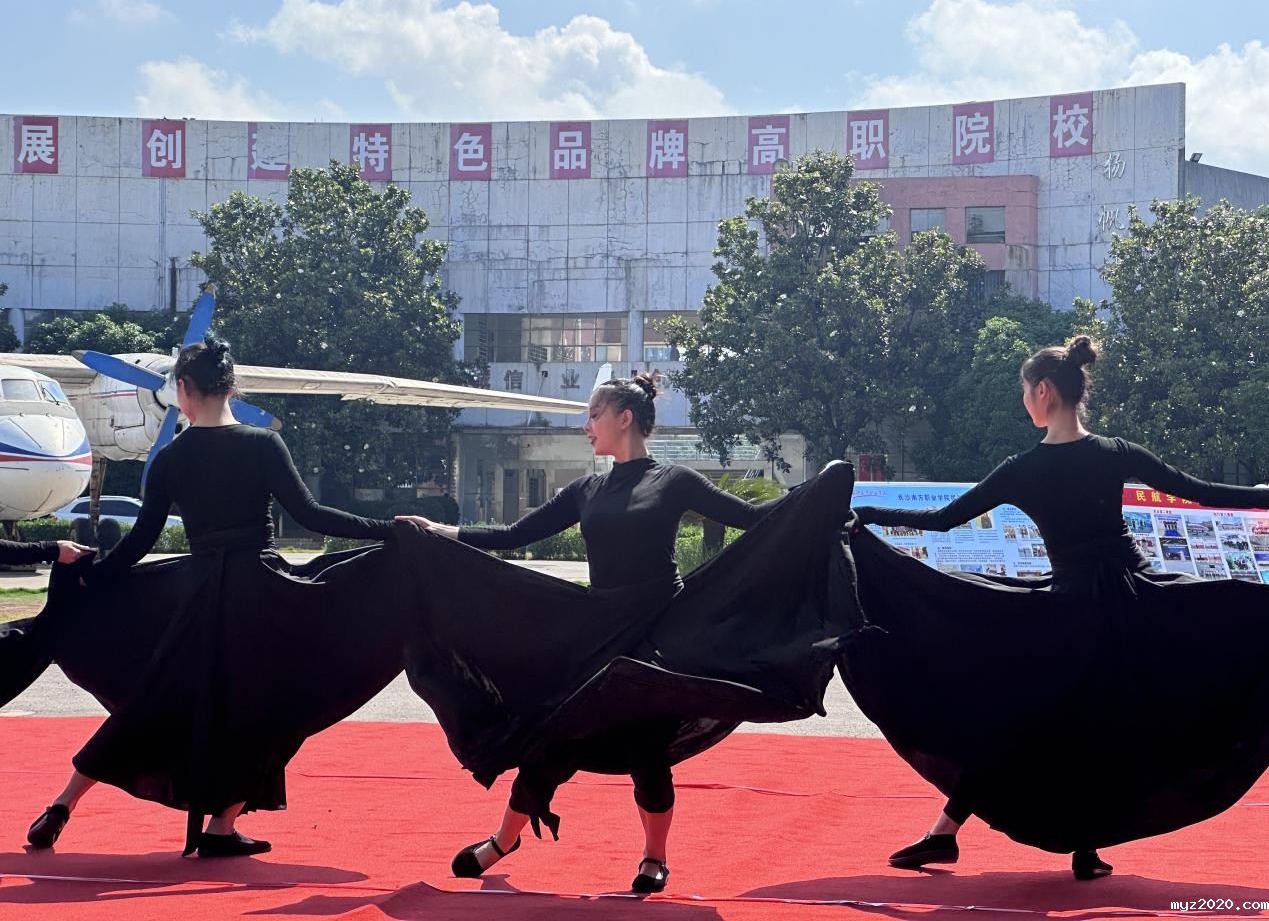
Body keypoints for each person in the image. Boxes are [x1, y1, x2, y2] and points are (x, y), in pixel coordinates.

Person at [397, 374, 856, 893]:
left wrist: (820, 496)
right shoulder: (586, 490)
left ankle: (654, 858)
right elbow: (516, 535)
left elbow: (752, 518)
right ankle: (504, 840)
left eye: (593, 414)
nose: (586, 425)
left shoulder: (674, 480)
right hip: (597, 633)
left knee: (647, 749)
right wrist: (442, 532)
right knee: (552, 738)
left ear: (625, 418)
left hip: (660, 636)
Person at [843, 336, 1269, 880]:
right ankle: (1062, 845)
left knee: (1019, 721)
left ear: (1043, 390)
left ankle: (954, 834)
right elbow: (1201, 491)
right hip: (1136, 607)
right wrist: (1265, 496)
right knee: (1107, 722)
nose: (1024, 400)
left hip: (1071, 616)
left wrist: (866, 515)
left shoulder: (1022, 468)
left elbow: (943, 520)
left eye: (1025, 390)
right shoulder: (1116, 452)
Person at [22, 337, 405, 856]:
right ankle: (222, 827)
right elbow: (313, 516)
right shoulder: (263, 444)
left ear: (182, 389)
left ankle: (63, 803)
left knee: (151, 706)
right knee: (271, 712)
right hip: (261, 597)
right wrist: (389, 530)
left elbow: (140, 541)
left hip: (198, 598)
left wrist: (93, 575)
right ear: (231, 387)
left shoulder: (171, 457)